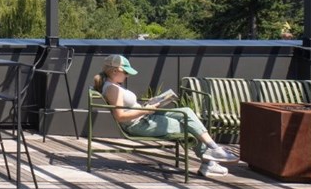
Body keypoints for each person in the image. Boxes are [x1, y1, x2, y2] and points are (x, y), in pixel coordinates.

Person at [93, 54, 237, 177]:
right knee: (188, 126)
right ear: (114, 71)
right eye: (125, 72)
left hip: (144, 118)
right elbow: (120, 116)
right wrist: (146, 110)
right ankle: (210, 160)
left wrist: (149, 106)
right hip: (139, 124)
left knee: (186, 112)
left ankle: (213, 151)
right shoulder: (113, 89)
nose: (127, 75)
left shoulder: (111, 85)